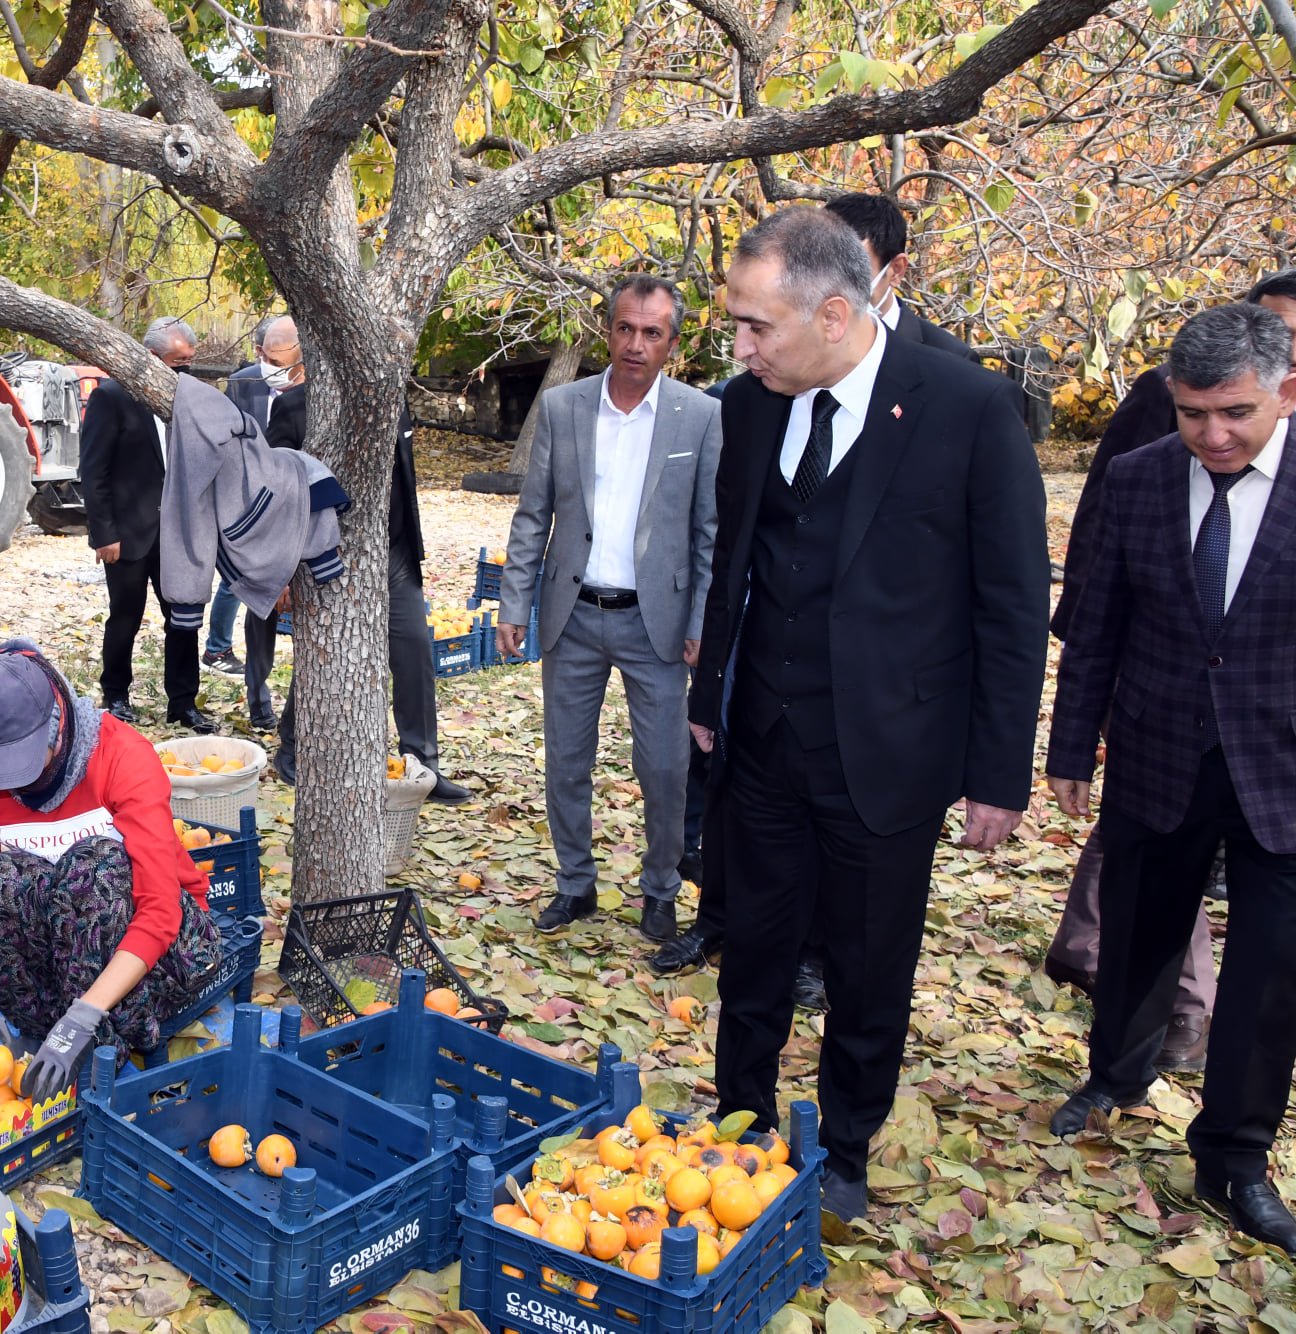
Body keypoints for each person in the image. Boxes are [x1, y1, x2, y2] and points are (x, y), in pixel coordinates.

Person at [689, 208, 1048, 1221]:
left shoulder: (969, 408)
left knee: (864, 960)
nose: (739, 345)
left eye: (755, 325)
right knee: (752, 946)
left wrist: (997, 771)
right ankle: (740, 1119)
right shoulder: (749, 407)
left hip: (887, 753)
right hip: (760, 737)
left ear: (834, 313)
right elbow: (737, 560)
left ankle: (844, 1143)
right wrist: (710, 691)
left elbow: (1012, 605)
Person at [1044, 303, 1296, 1252]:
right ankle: (1116, 1073)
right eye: (1193, 414)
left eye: (1234, 413)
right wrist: (1072, 749)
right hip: (1155, 752)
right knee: (1141, 935)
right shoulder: (1141, 478)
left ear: (1286, 392)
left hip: (1283, 768)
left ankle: (1234, 1155)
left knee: (1271, 976)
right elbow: (1096, 622)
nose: (1214, 435)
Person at [496, 275, 721, 940]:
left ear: (672, 343)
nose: (635, 343)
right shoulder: (566, 409)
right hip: (573, 614)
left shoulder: (700, 416)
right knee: (566, 759)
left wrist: (703, 622)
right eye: (625, 328)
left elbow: (710, 531)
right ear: (608, 331)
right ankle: (576, 884)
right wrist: (514, 601)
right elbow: (533, 513)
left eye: (652, 332)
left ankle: (660, 888)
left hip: (659, 624)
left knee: (664, 765)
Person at [0, 641, 223, 1099]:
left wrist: (85, 1016)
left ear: (57, 724)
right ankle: (43, 1040)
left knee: (97, 868)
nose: (18, 782)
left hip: (164, 955)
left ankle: (104, 1049)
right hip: (60, 962)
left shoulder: (122, 756)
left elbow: (160, 912)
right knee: (0, 881)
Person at [255, 322, 469, 805]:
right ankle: (294, 745)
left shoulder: (389, 399)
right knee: (326, 654)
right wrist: (284, 569)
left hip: (392, 553)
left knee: (414, 651)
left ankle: (423, 766)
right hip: (325, 556)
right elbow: (274, 494)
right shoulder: (291, 407)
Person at [78, 318, 214, 733]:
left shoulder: (190, 399)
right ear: (153, 358)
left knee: (184, 618)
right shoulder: (112, 397)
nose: (185, 369)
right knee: (126, 616)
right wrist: (104, 533)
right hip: (130, 533)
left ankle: (183, 702)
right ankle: (116, 694)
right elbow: (93, 471)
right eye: (178, 362)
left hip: (181, 533)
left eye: (190, 361)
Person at [198, 317, 280, 678]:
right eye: (272, 359)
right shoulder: (243, 381)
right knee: (236, 576)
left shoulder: (306, 378)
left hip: (290, 489)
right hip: (248, 491)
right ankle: (218, 648)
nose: (281, 369)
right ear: (259, 351)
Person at [237, 318, 307, 731]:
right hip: (253, 519)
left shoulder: (315, 394)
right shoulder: (245, 383)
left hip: (299, 520)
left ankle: (294, 715)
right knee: (257, 611)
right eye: (264, 355)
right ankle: (257, 698)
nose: (268, 364)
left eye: (277, 358)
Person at [823, 192, 975, 359]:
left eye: (852, 271)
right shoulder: (800, 343)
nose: (834, 285)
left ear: (896, 270)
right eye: (820, 268)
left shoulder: (950, 358)